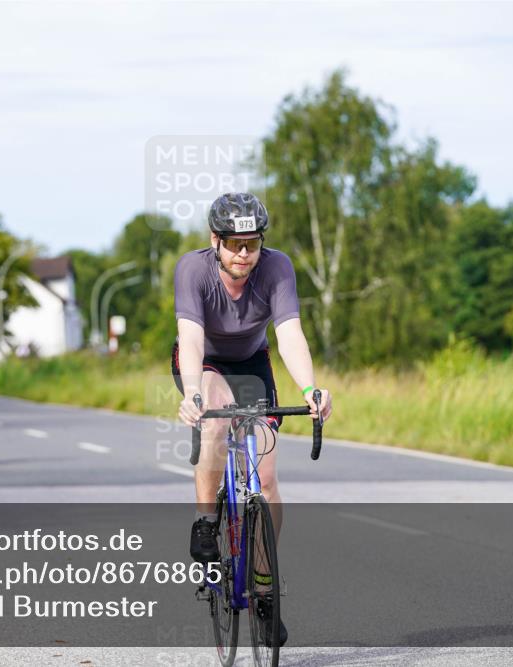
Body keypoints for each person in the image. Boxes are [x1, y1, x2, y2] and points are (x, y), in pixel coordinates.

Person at [173, 192, 334, 646]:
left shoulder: (277, 267)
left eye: (253, 244)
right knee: (216, 419)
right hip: (204, 363)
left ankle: (264, 590)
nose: (244, 254)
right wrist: (193, 393)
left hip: (252, 364)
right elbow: (191, 336)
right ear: (215, 241)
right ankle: (206, 523)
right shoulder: (192, 270)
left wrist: (310, 389)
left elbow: (289, 334)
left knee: (265, 477)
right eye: (234, 244)